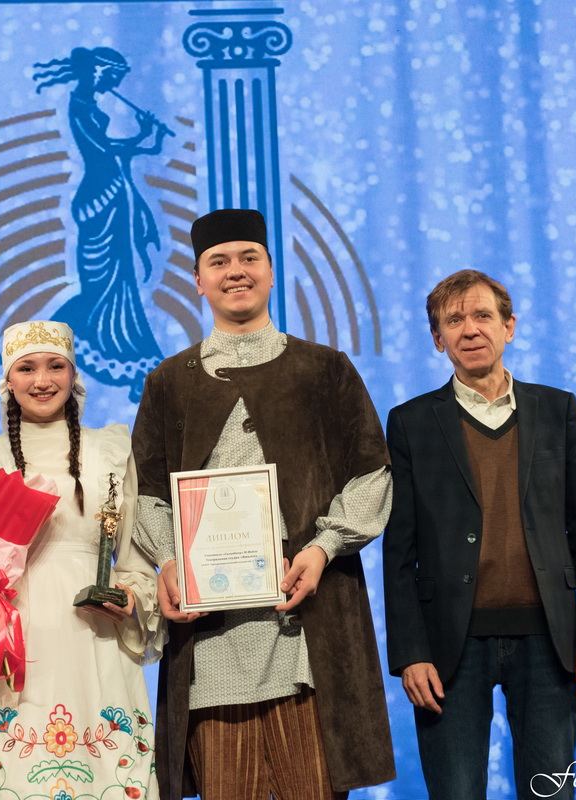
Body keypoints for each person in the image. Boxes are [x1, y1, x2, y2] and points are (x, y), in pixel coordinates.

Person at [130, 208, 396, 800]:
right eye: (218, 262)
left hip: (308, 636)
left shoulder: (324, 369)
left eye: (249, 258)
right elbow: (147, 494)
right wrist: (172, 563)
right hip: (211, 644)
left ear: (272, 273)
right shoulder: (169, 381)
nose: (235, 271)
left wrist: (322, 549)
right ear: (198, 281)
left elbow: (372, 474)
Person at [382, 270, 576, 799]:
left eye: (483, 316)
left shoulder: (558, 410)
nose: (470, 329)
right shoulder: (410, 423)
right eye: (454, 320)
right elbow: (398, 551)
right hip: (448, 646)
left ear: (509, 327)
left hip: (549, 640)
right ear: (438, 339)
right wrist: (410, 652)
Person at [0, 320, 164, 799]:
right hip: (18, 634)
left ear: (73, 374)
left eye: (55, 366)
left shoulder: (111, 449)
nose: (42, 380)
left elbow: (133, 555)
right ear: (8, 379)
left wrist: (130, 598)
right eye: (26, 368)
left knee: (107, 771)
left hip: (95, 634)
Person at [32, 47, 171, 402]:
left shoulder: (88, 102)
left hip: (112, 191)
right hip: (100, 195)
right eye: (113, 76)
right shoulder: (79, 105)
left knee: (120, 276)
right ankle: (92, 343)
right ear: (99, 71)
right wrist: (143, 137)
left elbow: (115, 150)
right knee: (102, 280)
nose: (115, 83)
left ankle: (130, 355)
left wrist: (147, 139)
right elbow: (103, 150)